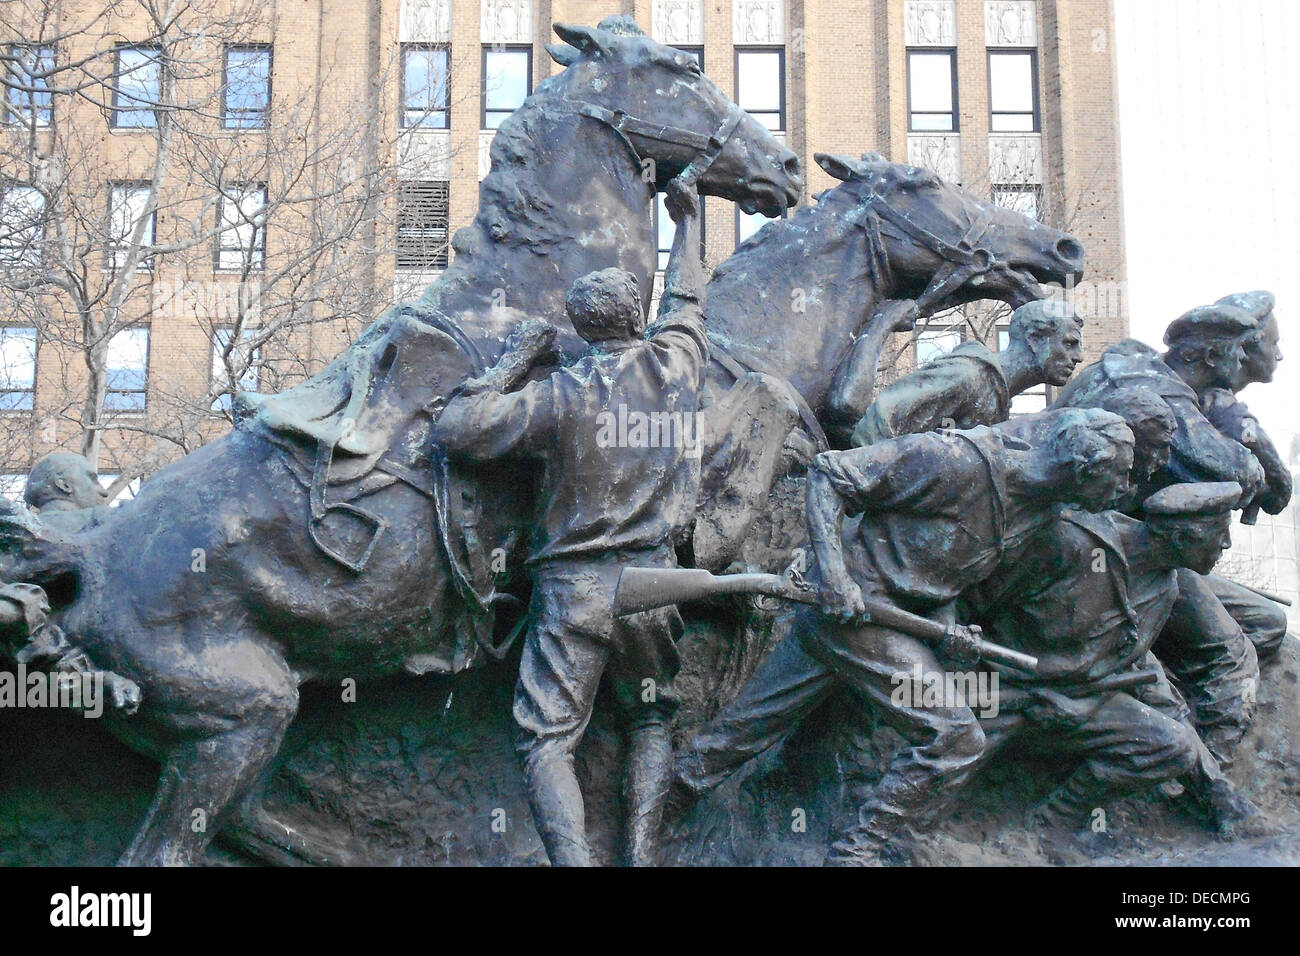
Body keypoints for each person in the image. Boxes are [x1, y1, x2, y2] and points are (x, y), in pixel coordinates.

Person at [668, 408, 1134, 865]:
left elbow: (946, 578)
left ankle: (652, 818)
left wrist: (951, 632)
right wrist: (834, 575)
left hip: (889, 625)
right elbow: (831, 473)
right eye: (1119, 475)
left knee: (741, 733)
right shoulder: (958, 461)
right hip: (851, 616)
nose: (1123, 489)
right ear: (1084, 466)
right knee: (954, 737)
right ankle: (855, 853)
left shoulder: (1038, 516)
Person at [432, 179, 708, 866]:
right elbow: (688, 297)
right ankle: (641, 858)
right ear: (637, 319)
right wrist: (690, 224)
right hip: (655, 585)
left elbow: (456, 429)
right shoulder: (677, 366)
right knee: (650, 714)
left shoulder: (559, 395)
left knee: (548, 739)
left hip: (576, 592)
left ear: (582, 331)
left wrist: (513, 362)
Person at [959, 483, 1258, 836]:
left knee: (1172, 744)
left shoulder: (1164, 587)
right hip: (990, 686)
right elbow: (970, 599)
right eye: (1220, 532)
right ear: (1181, 537)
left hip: (1065, 701)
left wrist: (1215, 786)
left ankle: (1050, 824)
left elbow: (1131, 667)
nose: (1226, 544)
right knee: (940, 769)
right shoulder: (1073, 543)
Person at [1052, 307, 1266, 768]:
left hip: (1122, 545)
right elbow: (1237, 476)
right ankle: (1199, 781)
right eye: (1246, 352)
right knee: (1231, 656)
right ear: (1212, 354)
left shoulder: (1125, 370)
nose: (1260, 361)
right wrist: (1244, 431)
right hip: (1113, 554)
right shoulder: (1158, 394)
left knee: (1266, 622)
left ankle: (1178, 731)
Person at [1195, 292, 1291, 663]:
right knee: (1267, 623)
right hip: (1157, 565)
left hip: (1178, 560)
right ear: (1245, 349)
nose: (1279, 355)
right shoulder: (1217, 406)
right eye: (1274, 343)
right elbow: (1280, 488)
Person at [849, 298, 1084, 448]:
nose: (1079, 356)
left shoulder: (997, 398)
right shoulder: (968, 374)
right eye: (1069, 343)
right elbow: (874, 427)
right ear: (1034, 339)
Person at [23, 452, 112, 534]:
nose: (104, 492)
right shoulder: (108, 519)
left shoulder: (21, 532)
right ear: (64, 484)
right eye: (93, 479)